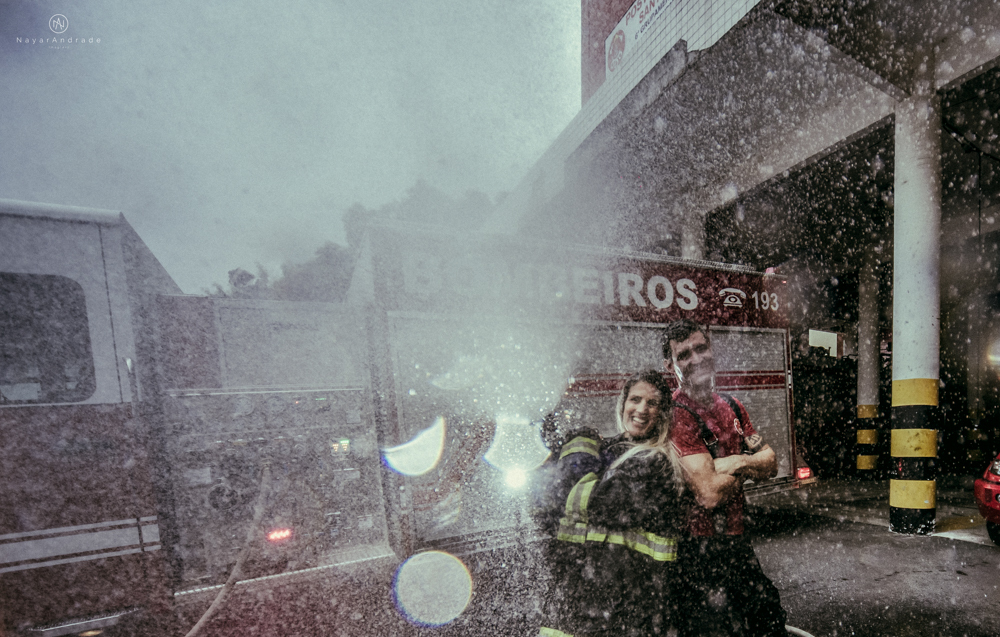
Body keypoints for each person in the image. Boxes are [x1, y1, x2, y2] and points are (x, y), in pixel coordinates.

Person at [663, 318, 787, 637]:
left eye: (701, 348)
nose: (696, 359)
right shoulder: (675, 415)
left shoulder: (733, 406)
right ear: (670, 365)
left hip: (735, 539)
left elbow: (771, 463)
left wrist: (729, 462)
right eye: (684, 355)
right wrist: (747, 466)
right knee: (710, 629)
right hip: (695, 549)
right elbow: (709, 494)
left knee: (767, 614)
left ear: (712, 349)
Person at [536, 370, 684, 636]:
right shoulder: (610, 447)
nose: (641, 409)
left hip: (622, 611)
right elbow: (546, 499)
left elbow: (593, 504)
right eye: (635, 399)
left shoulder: (655, 462)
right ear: (623, 403)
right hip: (576, 599)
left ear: (662, 414)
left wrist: (578, 447)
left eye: (652, 403)